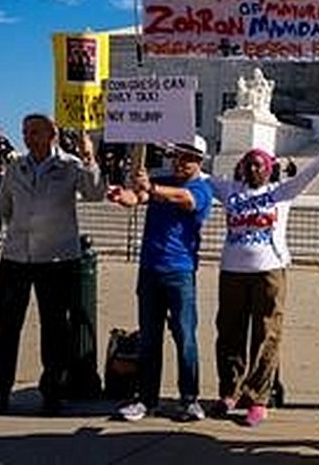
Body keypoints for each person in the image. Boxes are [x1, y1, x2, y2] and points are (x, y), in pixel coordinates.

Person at [207, 129, 319, 427]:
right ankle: (229, 391)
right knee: (229, 333)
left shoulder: (281, 193)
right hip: (232, 272)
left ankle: (258, 397)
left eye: (259, 164)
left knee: (266, 334)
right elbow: (197, 176)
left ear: (269, 169)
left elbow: (313, 172)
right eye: (249, 164)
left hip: (269, 271)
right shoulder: (229, 190)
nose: (253, 168)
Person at [0, 114, 106, 418]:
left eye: (34, 132)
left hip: (56, 259)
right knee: (6, 328)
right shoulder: (16, 166)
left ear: (51, 134)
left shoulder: (70, 165)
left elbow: (95, 193)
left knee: (55, 329)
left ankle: (53, 393)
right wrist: (22, 230)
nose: (27, 138)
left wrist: (90, 158)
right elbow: (4, 206)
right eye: (25, 132)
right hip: (17, 257)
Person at [108, 135, 215, 423]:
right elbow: (138, 197)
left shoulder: (201, 188)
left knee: (185, 337)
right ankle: (147, 399)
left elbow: (184, 199)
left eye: (187, 158)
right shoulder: (162, 180)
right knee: (149, 338)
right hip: (150, 269)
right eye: (177, 156)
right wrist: (123, 196)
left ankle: (189, 399)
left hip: (180, 271)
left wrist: (150, 187)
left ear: (199, 161)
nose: (180, 162)